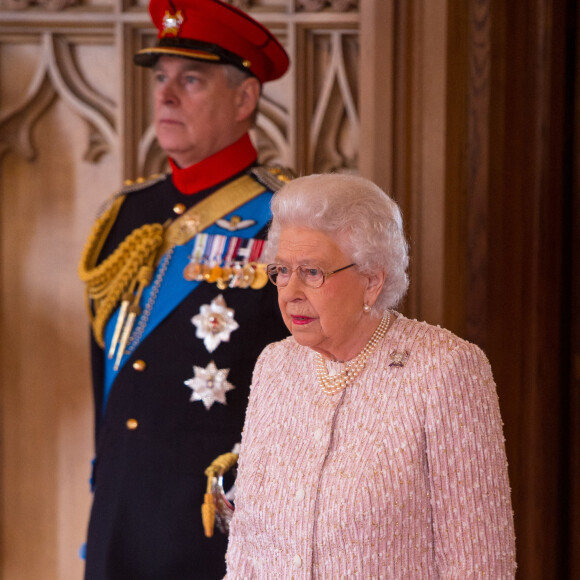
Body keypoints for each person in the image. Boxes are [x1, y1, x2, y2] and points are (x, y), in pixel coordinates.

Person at [77, 1, 292, 578]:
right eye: (161, 79)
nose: (166, 96)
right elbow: (107, 374)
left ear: (244, 99)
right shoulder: (127, 216)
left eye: (190, 80)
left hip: (218, 524)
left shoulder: (288, 217)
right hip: (121, 514)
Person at [225, 173, 517, 578]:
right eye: (282, 270)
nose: (290, 291)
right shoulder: (275, 366)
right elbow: (244, 546)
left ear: (371, 280)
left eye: (311, 272)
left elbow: (480, 564)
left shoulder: (444, 370)